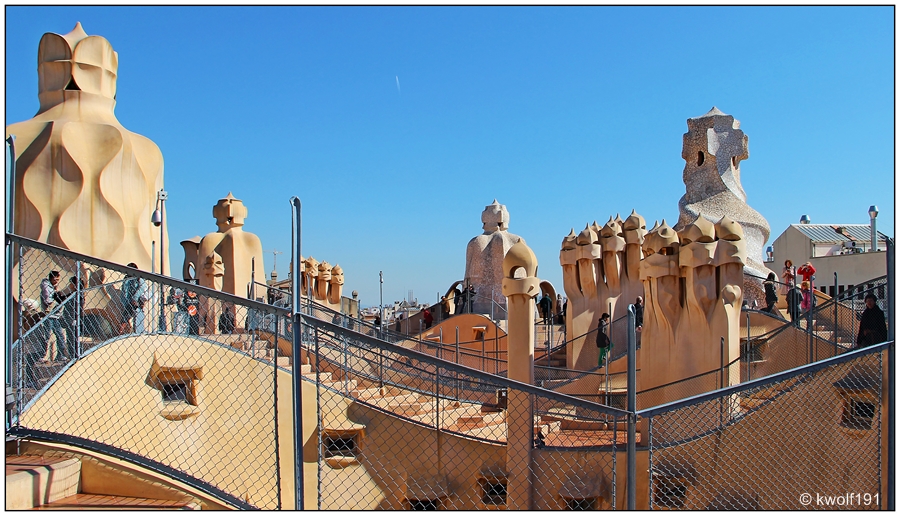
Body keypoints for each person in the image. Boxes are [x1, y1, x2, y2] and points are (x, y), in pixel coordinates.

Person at [39, 271, 67, 362]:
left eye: (58, 279)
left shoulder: (52, 287)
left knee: (60, 336)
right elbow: (48, 300)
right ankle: (42, 355)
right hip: (49, 315)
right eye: (56, 279)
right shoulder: (46, 287)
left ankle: (61, 355)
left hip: (55, 316)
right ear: (52, 278)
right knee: (46, 336)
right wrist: (57, 298)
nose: (57, 281)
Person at [60, 276, 84, 359]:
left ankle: (75, 357)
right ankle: (72, 356)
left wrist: (75, 319)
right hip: (69, 319)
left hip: (72, 320)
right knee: (70, 340)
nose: (69, 285)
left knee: (73, 340)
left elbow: (79, 309)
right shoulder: (73, 294)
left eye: (71, 283)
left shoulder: (78, 295)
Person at [123, 263, 150, 334]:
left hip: (138, 300)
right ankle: (124, 330)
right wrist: (126, 302)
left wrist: (135, 298)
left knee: (128, 316)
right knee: (126, 316)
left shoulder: (139, 278)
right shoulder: (127, 279)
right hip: (130, 301)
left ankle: (121, 330)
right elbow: (125, 291)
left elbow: (142, 288)